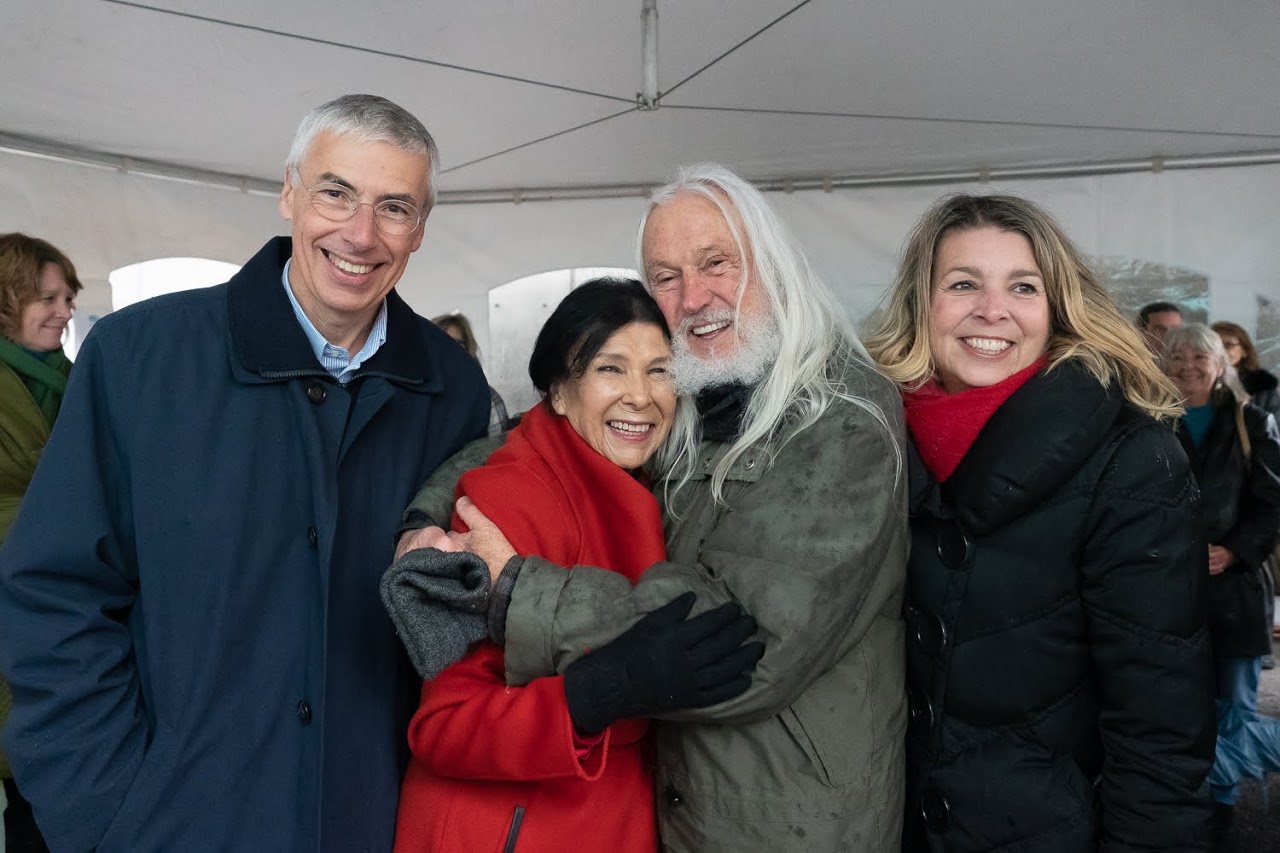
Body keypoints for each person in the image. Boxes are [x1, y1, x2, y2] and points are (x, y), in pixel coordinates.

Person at [0, 95, 490, 852]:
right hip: (176, 824)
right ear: (289, 192)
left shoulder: (449, 387)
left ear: (421, 228)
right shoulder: (139, 358)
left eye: (394, 207)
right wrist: (106, 812)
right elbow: (55, 593)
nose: (360, 233)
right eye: (336, 192)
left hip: (373, 823)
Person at [399, 163, 909, 852]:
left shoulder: (843, 423)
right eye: (665, 277)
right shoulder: (690, 395)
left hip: (784, 825)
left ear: (775, 266)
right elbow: (540, 432)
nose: (693, 297)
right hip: (666, 812)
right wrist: (426, 519)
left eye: (716, 263)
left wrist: (522, 590)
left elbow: (744, 646)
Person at [864, 194, 1216, 851]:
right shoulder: (873, 442)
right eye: (963, 283)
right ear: (922, 303)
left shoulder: (1131, 459)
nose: (991, 310)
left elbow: (1160, 723)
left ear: (1056, 307)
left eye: (1022, 286)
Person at [390, 279, 761, 852]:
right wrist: (592, 695)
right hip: (503, 832)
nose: (641, 395)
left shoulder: (657, 485)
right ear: (559, 393)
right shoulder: (506, 501)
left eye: (659, 370)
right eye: (611, 369)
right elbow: (442, 728)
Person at [1164, 322, 1280, 838]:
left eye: (1200, 357)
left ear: (1220, 365)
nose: (1189, 366)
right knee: (1176, 707)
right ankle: (1186, 805)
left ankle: (1223, 807)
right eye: (1178, 358)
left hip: (1233, 595)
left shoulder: (1251, 423)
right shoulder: (1150, 422)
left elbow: (1272, 502)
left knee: (1235, 709)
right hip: (1165, 595)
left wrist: (1234, 551)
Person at [0, 233, 80, 853]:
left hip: (71, 610)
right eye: (47, 297)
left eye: (68, 296)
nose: (64, 310)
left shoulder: (78, 381)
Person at [432, 311, 513, 435]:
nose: (448, 349)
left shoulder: (487, 397)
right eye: (440, 341)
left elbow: (497, 448)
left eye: (456, 343)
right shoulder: (411, 395)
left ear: (468, 349)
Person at [1213, 320, 1280, 418]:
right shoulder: (1194, 381)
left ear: (1244, 351)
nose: (1221, 350)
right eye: (1215, 345)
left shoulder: (1263, 385)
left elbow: (1274, 428)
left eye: (1228, 345)